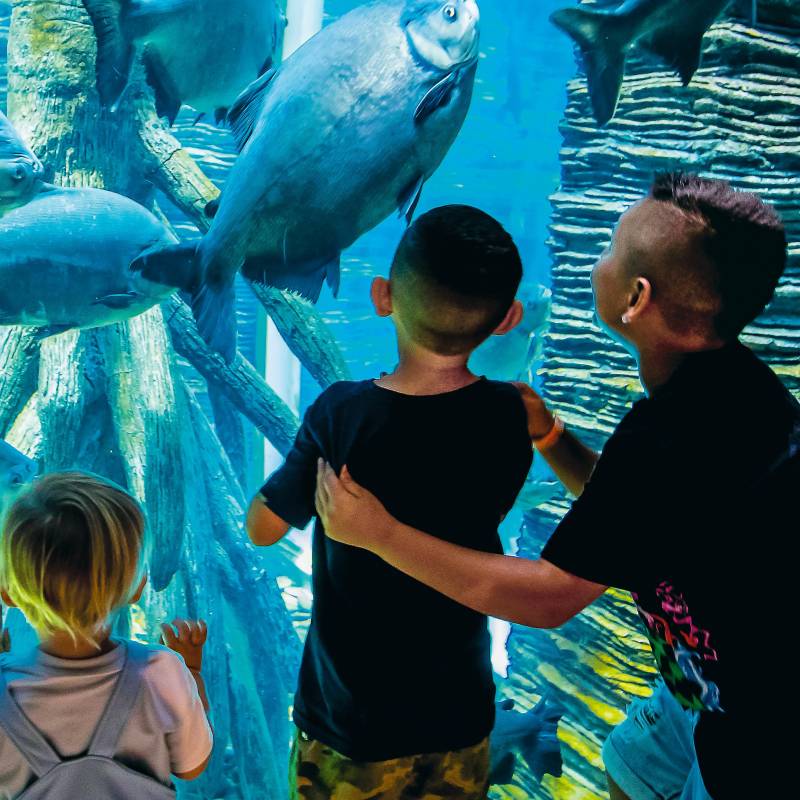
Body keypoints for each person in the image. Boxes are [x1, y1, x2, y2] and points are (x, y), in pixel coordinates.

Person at [315, 173, 799, 800]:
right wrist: (549, 435)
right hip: (707, 682)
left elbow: (548, 598)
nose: (598, 260)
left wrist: (380, 535)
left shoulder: (671, 435)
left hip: (767, 727)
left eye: (609, 251)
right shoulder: (727, 387)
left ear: (636, 299)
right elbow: (633, 511)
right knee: (631, 768)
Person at [246, 205, 534, 799]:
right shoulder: (509, 414)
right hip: (459, 713)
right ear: (508, 319)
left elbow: (264, 528)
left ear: (382, 296)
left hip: (353, 723)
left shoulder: (343, 413)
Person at [0, 472, 213, 797]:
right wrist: (191, 673)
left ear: (7, 592)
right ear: (137, 587)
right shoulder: (162, 672)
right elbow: (191, 766)